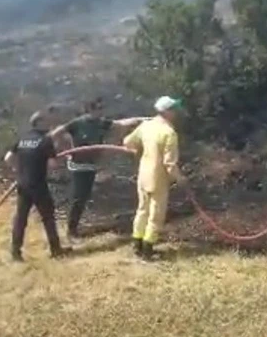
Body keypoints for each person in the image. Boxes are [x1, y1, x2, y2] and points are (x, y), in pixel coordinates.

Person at [48, 98, 149, 245]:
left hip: (91, 165)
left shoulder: (101, 123)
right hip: (78, 165)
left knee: (84, 196)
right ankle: (71, 231)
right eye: (98, 109)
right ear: (90, 110)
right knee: (79, 197)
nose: (101, 112)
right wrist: (52, 150)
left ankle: (74, 227)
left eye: (102, 109)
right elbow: (56, 133)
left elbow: (120, 124)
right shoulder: (77, 123)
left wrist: (141, 120)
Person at [122, 96, 183, 260]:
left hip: (143, 175)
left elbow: (127, 142)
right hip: (158, 178)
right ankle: (148, 249)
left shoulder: (146, 126)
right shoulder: (169, 133)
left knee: (142, 210)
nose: (176, 113)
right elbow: (169, 164)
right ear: (167, 112)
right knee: (156, 214)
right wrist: (179, 179)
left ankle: (137, 244)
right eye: (174, 109)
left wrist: (138, 150)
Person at [3, 111, 68, 262]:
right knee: (48, 217)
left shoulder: (22, 138)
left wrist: (19, 170)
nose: (49, 125)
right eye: (46, 122)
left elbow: (8, 158)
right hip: (38, 185)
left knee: (20, 219)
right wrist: (58, 155)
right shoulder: (45, 140)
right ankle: (56, 249)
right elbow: (53, 165)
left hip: (23, 184)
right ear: (39, 123)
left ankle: (15, 252)